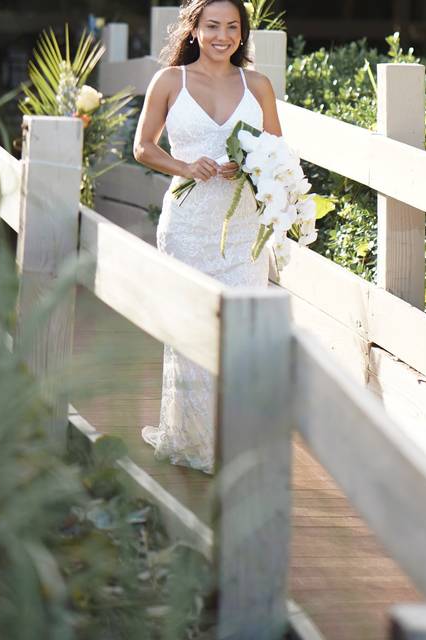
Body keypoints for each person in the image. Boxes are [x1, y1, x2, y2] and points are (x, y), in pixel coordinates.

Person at [132, 0, 282, 474]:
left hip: (242, 229)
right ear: (193, 29)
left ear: (242, 34)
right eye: (212, 25)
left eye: (232, 27)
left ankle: (238, 441)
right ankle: (193, 439)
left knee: (241, 332)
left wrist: (256, 165)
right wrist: (184, 166)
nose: (223, 36)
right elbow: (142, 147)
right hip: (188, 225)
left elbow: (278, 154)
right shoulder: (169, 82)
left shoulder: (257, 85)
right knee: (191, 329)